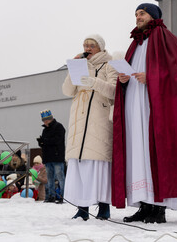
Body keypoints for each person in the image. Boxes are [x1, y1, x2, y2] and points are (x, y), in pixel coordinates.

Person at [112, 3, 177, 224]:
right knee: (138, 153)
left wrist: (152, 77)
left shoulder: (166, 38)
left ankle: (159, 208)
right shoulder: (135, 44)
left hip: (153, 107)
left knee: (153, 152)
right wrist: (123, 79)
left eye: (142, 13)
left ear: (153, 16)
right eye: (136, 14)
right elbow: (131, 71)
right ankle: (144, 205)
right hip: (134, 104)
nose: (138, 17)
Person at [62, 34, 118, 221]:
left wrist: (94, 82)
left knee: (98, 164)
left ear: (100, 47)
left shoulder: (110, 64)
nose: (87, 48)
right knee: (80, 165)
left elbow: (114, 90)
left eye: (91, 45)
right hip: (79, 119)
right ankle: (82, 208)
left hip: (98, 119)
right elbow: (67, 91)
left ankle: (104, 207)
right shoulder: (81, 65)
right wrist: (73, 69)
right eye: (85, 45)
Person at [37, 110, 66, 204]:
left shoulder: (59, 127)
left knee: (60, 177)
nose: (45, 122)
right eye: (44, 120)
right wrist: (41, 142)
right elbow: (47, 143)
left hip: (57, 156)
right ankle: (51, 196)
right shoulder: (45, 130)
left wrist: (44, 141)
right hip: (48, 157)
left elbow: (57, 140)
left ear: (51, 119)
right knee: (50, 178)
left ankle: (63, 196)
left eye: (46, 120)